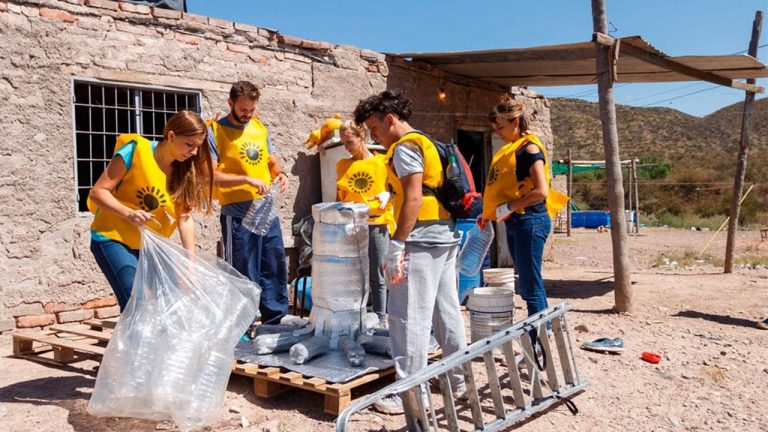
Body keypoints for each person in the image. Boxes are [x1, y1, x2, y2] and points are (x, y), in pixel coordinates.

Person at [353, 90, 467, 415]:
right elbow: (419, 191)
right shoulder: (423, 141)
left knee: (406, 319)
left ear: (390, 119)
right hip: (444, 236)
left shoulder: (404, 148)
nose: (373, 135)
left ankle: (410, 395)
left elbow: (415, 198)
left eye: (374, 127)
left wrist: (398, 244)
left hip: (419, 241)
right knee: (447, 314)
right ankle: (457, 381)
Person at [89, 110, 213, 311]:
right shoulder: (135, 151)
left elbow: (185, 218)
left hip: (150, 246)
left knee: (168, 299)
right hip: (112, 237)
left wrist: (189, 265)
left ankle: (156, 342)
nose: (194, 152)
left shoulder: (184, 171)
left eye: (198, 147)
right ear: (171, 136)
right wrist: (128, 213)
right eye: (189, 145)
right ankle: (134, 342)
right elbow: (98, 192)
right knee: (134, 298)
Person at [480, 95, 562, 342]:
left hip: (530, 220)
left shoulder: (529, 150)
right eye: (495, 129)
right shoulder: (511, 150)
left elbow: (541, 191)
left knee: (530, 285)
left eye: (501, 127)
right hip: (517, 221)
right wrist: (491, 212)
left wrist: (510, 206)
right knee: (527, 282)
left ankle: (539, 342)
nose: (498, 133)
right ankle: (541, 334)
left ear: (516, 121)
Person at [208, 81, 289, 325]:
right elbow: (212, 176)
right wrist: (245, 179)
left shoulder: (259, 128)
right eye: (243, 109)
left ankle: (274, 322)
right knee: (243, 271)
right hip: (237, 213)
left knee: (273, 265)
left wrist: (281, 176)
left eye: (252, 109)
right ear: (230, 103)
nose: (248, 114)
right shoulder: (214, 131)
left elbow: (272, 164)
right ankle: (242, 324)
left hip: (266, 209)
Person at [335, 120, 395, 326]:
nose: (347, 147)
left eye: (350, 142)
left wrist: (388, 195)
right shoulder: (343, 165)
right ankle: (362, 313)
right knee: (356, 272)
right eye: (344, 143)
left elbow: (395, 190)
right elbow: (340, 197)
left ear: (362, 138)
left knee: (377, 271)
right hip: (353, 224)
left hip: (376, 223)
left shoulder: (382, 162)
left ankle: (381, 316)